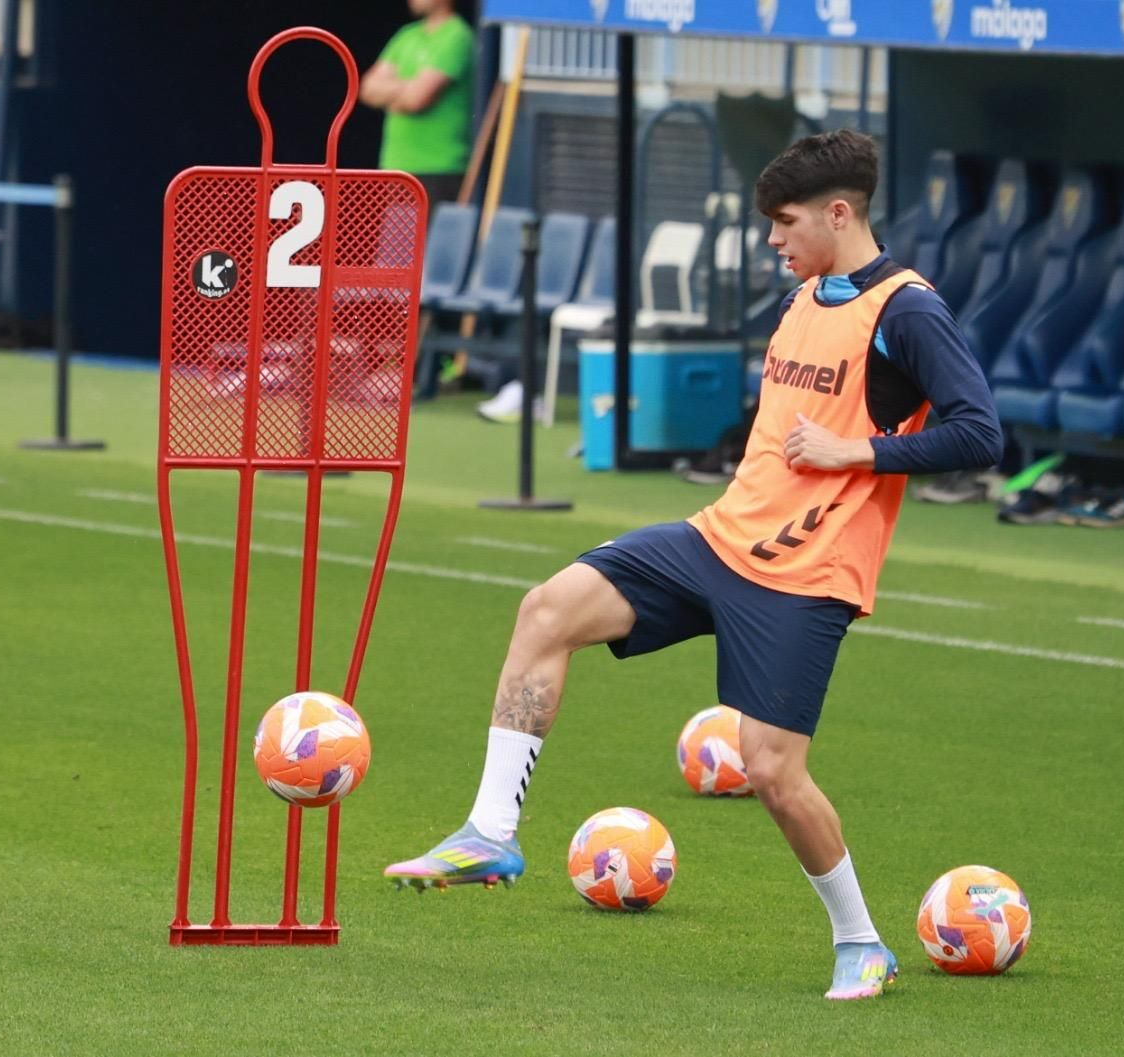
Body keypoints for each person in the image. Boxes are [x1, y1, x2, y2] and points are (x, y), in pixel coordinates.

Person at [384, 130, 1004, 1001]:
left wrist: (853, 449)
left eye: (785, 223)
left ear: (839, 213)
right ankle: (491, 832)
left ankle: (862, 941)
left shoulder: (907, 310)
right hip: (712, 540)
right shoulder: (804, 296)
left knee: (774, 773)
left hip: (804, 576)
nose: (772, 240)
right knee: (547, 609)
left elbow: (981, 431)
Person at [359, 0, 474, 217]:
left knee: (428, 250)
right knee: (397, 249)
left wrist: (392, 91)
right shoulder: (407, 35)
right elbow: (366, 88)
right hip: (397, 168)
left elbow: (416, 99)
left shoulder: (456, 36)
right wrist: (406, 88)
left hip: (439, 168)